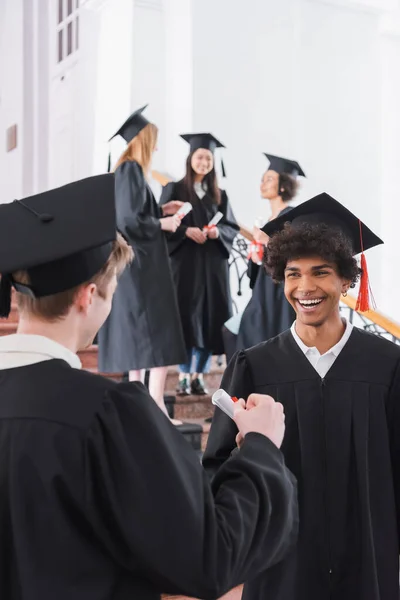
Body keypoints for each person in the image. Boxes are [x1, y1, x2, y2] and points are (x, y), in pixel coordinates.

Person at [0, 174, 298, 600]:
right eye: (112, 292)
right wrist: (261, 447)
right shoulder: (105, 414)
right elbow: (209, 558)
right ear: (88, 296)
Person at [204, 192, 400, 600]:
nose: (305, 287)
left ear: (346, 279)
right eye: (293, 273)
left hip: (367, 557)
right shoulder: (255, 367)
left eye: (321, 272)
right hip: (280, 564)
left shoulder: (386, 364)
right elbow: (217, 469)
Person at [98, 106, 187, 423]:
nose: (157, 147)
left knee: (142, 334)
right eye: (155, 140)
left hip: (140, 265)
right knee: (155, 333)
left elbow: (136, 214)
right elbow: (129, 220)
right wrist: (162, 224)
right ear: (143, 140)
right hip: (141, 267)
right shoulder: (130, 170)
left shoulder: (129, 171)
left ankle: (143, 406)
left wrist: (162, 210)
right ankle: (154, 404)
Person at [160, 133, 239, 396]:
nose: (204, 161)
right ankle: (183, 375)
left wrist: (218, 234)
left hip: (212, 265)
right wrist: (185, 232)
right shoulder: (174, 189)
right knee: (186, 318)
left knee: (210, 318)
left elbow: (231, 227)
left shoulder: (220, 195)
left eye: (208, 158)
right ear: (190, 159)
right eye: (199, 157)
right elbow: (160, 226)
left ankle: (198, 375)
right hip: (185, 264)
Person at [223, 154, 305, 363]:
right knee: (233, 332)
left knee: (255, 341)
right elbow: (256, 270)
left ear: (284, 186)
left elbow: (297, 254)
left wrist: (268, 241)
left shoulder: (292, 216)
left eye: (269, 179)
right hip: (263, 291)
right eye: (262, 179)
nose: (263, 183)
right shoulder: (268, 219)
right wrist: (256, 254)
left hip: (278, 294)